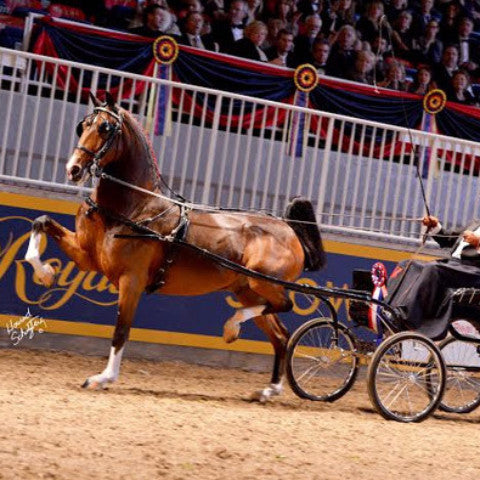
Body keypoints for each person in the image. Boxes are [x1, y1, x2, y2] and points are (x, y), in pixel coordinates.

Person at [390, 215, 480, 338]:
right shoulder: (475, 223)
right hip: (454, 265)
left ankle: (411, 318)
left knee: (433, 269)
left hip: (474, 271)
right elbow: (448, 239)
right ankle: (390, 307)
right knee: (408, 265)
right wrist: (435, 226)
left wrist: (478, 243)